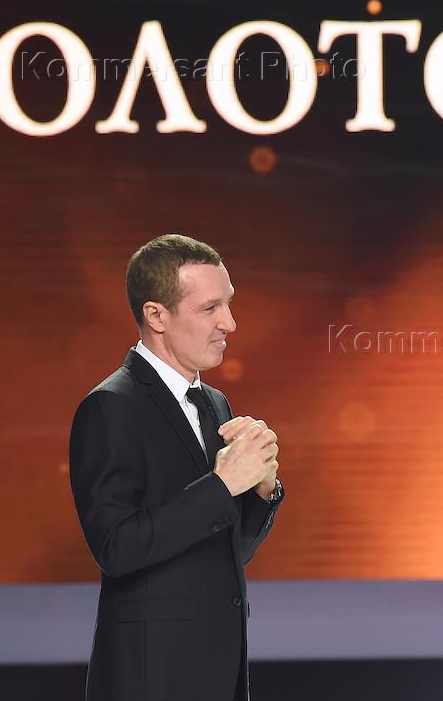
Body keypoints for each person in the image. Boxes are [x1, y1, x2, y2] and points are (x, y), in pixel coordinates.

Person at [69, 234, 284, 701]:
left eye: (228, 304)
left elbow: (224, 553)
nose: (229, 322)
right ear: (156, 316)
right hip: (151, 679)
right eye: (210, 308)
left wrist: (261, 489)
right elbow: (116, 548)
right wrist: (222, 485)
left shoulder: (215, 403)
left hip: (217, 674)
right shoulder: (111, 407)